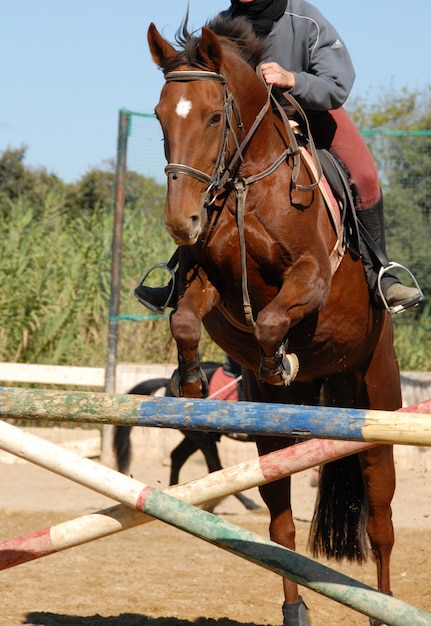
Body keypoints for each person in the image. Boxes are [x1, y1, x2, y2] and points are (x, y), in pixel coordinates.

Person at [135, 0, 423, 314]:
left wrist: (293, 79)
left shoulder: (305, 18)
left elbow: (338, 83)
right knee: (204, 177)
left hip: (311, 113)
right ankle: (179, 277)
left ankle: (379, 272)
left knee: (365, 175)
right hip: (252, 132)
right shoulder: (220, 23)